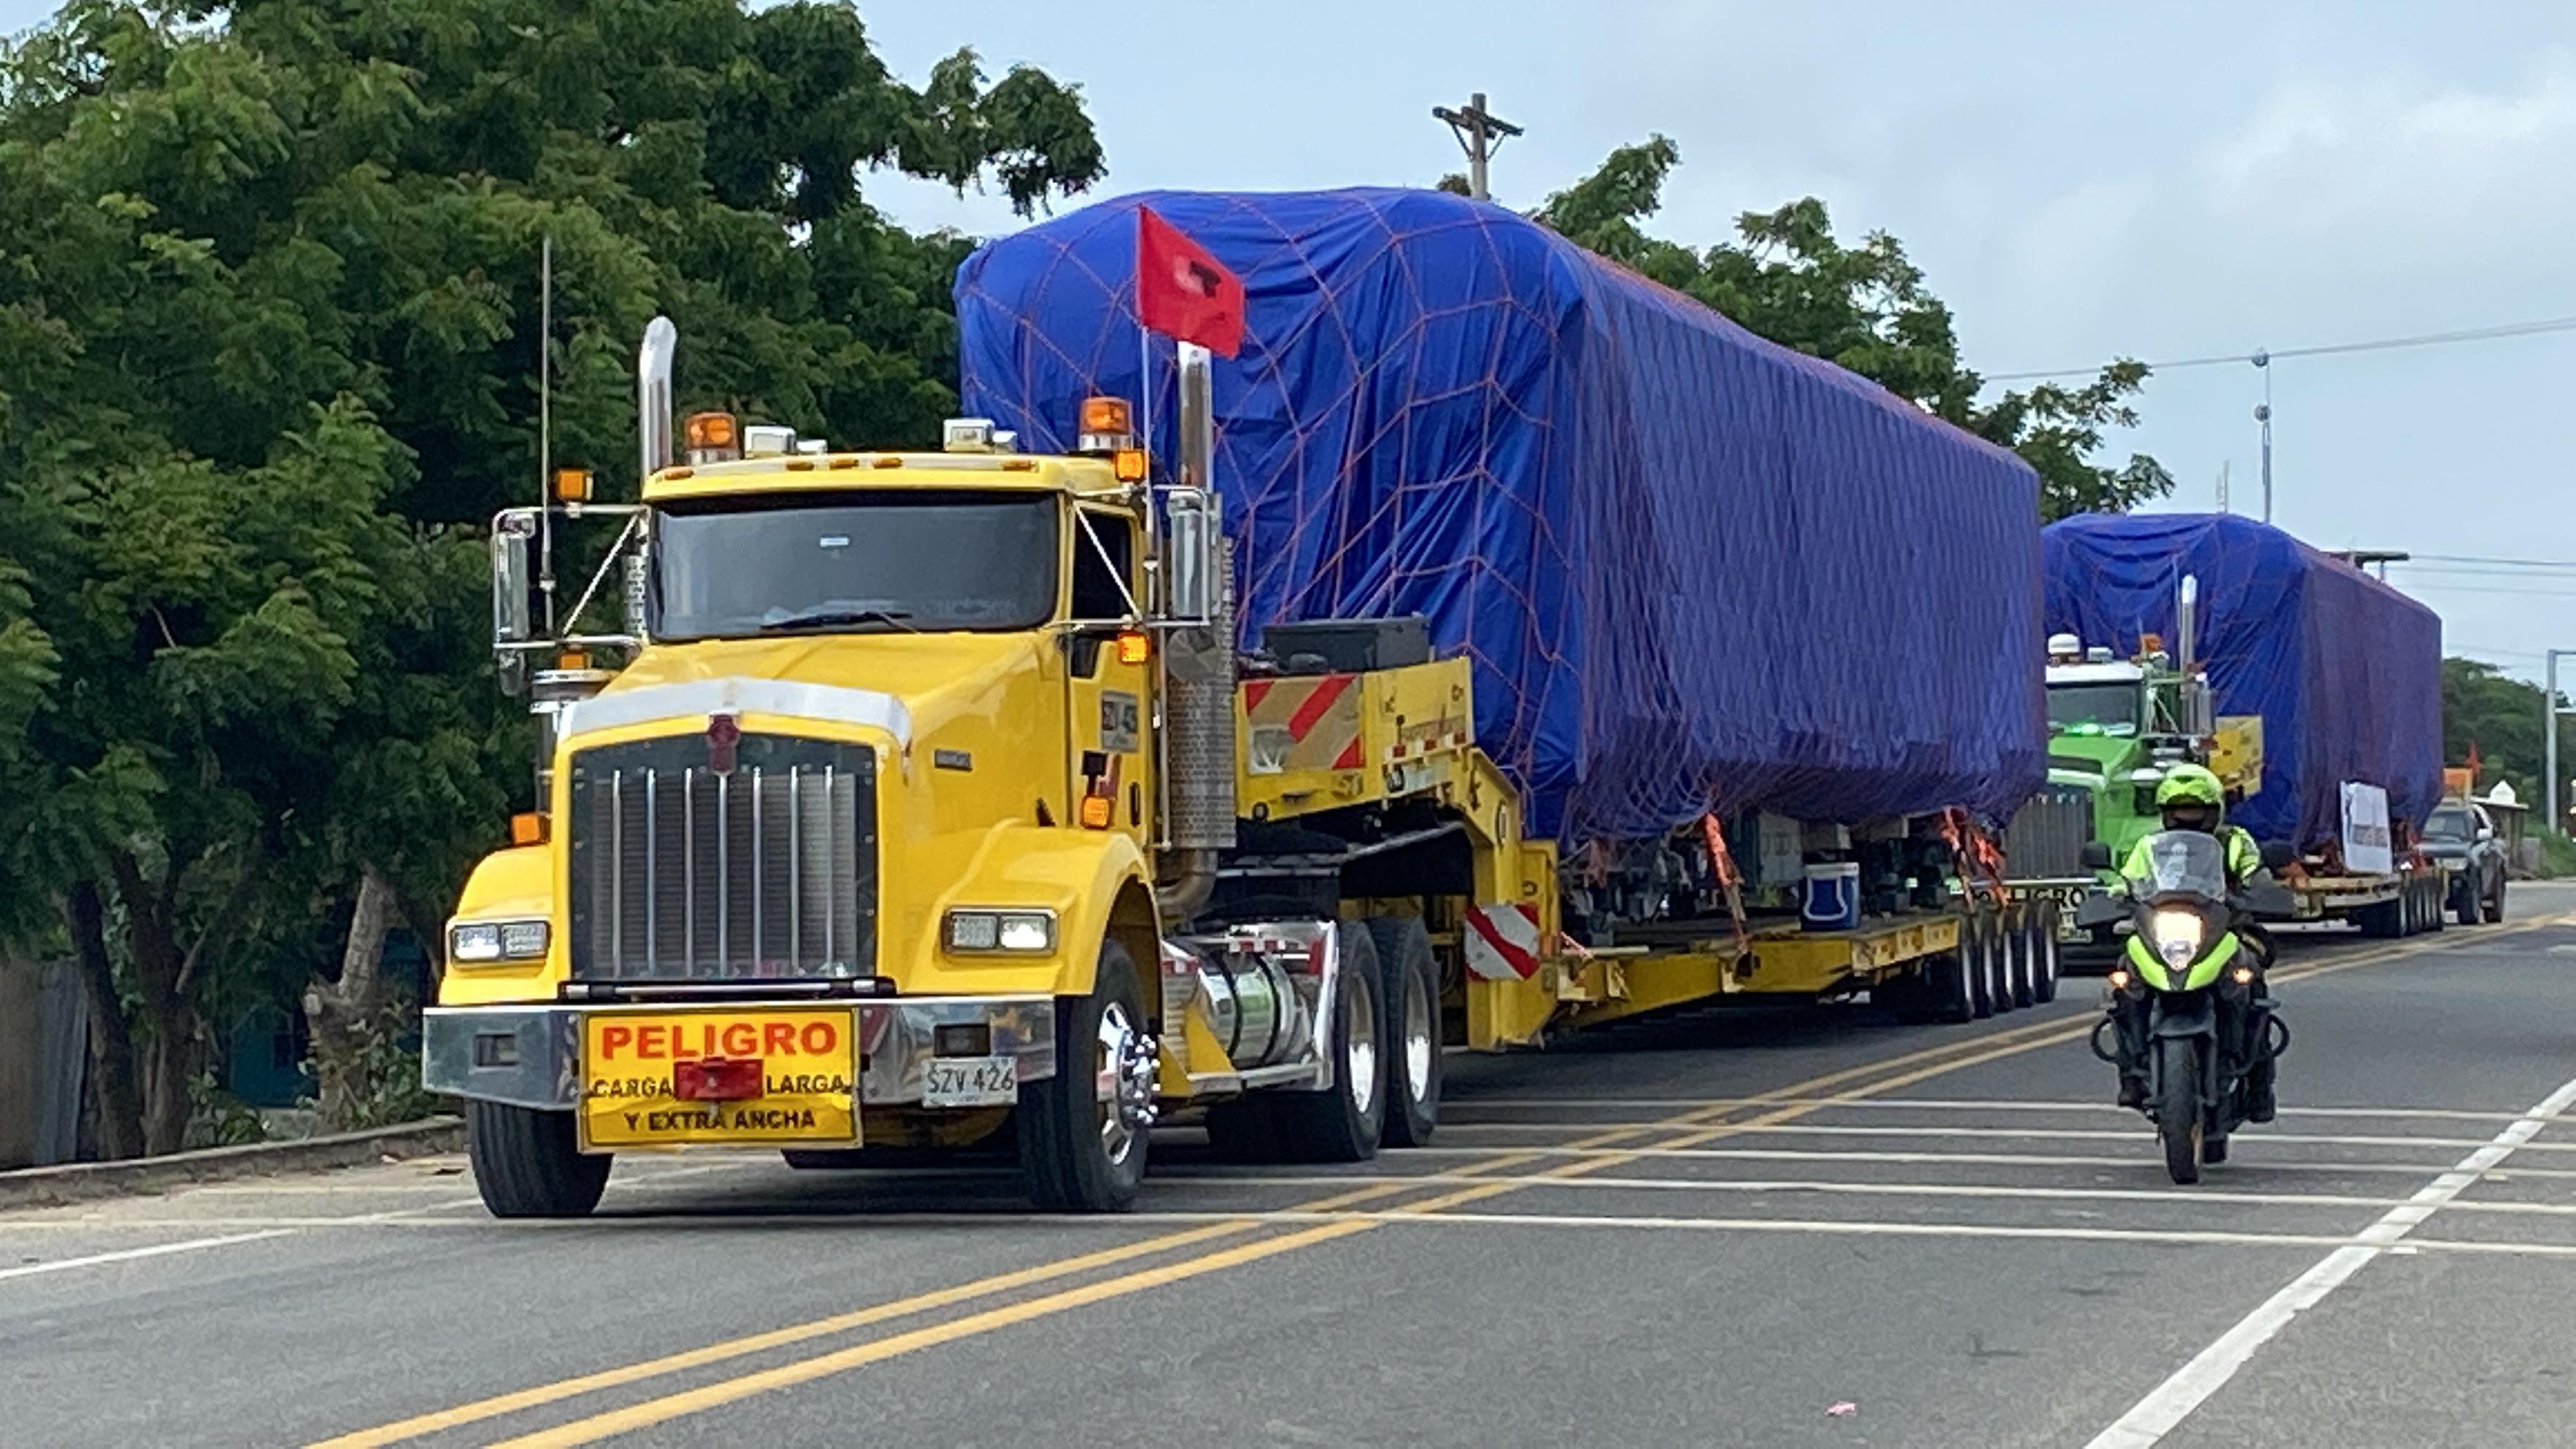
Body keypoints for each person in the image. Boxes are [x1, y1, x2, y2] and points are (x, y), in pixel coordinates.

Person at [2109, 763, 2278, 1122]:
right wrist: (2115, 894)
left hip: (2225, 923)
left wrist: (2261, 889)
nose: (2187, 820)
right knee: (2125, 978)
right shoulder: (2148, 847)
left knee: (2253, 977)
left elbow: (2255, 872)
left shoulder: (2235, 841)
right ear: (2166, 815)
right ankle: (2130, 1073)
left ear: (2213, 812)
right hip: (2164, 926)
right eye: (2178, 813)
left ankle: (2260, 1085)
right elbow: (2129, 880)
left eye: (2195, 813)